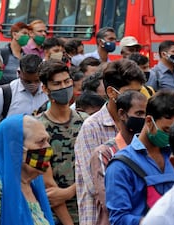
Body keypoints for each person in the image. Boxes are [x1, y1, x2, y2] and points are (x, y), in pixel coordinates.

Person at [74, 59, 145, 225]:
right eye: (130, 93)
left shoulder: (140, 122)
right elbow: (95, 186)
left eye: (139, 92)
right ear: (112, 93)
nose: (137, 98)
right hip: (100, 217)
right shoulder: (92, 127)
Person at [105, 90, 174, 225]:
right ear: (149, 121)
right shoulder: (120, 165)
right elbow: (118, 218)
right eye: (166, 130)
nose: (171, 136)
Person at [37, 59, 88, 224]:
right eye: (57, 84)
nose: (64, 87)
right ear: (45, 88)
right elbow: (48, 186)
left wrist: (70, 192)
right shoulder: (36, 129)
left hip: (88, 209)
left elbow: (95, 172)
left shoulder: (86, 122)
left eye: (67, 82)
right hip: (55, 216)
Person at [90, 90, 147, 225]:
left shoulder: (149, 151)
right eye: (139, 113)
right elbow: (109, 202)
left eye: (146, 114)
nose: (144, 119)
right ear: (122, 114)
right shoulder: (105, 153)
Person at [0, 54, 47, 150]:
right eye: (27, 81)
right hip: (11, 154)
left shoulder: (48, 92)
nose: (33, 85)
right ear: (19, 73)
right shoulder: (6, 93)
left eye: (37, 81)